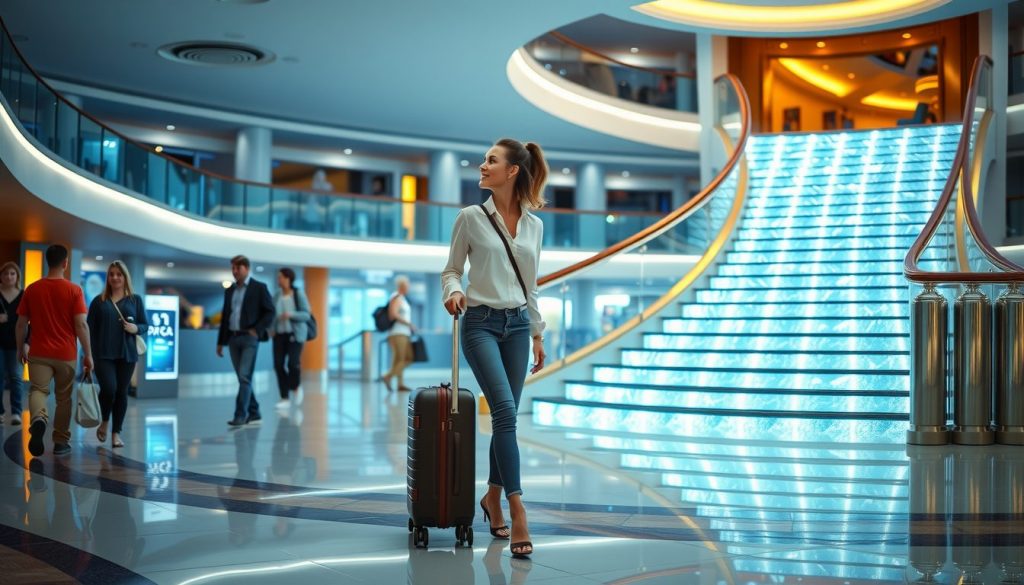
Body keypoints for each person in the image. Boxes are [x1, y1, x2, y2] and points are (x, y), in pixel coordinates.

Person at [441, 138, 548, 558]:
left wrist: (537, 333)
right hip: (481, 323)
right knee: (504, 411)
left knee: (507, 417)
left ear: (512, 171)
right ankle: (516, 508)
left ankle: (490, 497)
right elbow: (451, 270)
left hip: (519, 325)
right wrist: (453, 291)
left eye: (491, 161)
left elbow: (532, 285)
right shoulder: (470, 217)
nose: (482, 166)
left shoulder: (535, 227)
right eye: (484, 160)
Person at [15, 244, 93, 457]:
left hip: (39, 352)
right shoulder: (74, 290)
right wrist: (88, 354)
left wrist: (20, 347)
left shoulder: (32, 289)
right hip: (66, 354)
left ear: (47, 261)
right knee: (64, 398)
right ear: (65, 263)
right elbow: (81, 325)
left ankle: (39, 419)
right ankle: (60, 442)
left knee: (38, 390)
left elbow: (21, 324)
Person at [87, 260, 147, 448]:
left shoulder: (135, 300)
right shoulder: (99, 301)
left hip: (126, 354)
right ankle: (105, 421)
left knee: (121, 392)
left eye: (118, 274)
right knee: (109, 389)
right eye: (111, 274)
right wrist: (87, 355)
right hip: (103, 354)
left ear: (125, 277)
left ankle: (116, 432)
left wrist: (135, 327)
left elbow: (145, 325)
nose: (115, 277)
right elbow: (89, 329)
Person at [216, 255, 275, 427]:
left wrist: (257, 329)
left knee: (244, 376)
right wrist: (220, 342)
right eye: (232, 268)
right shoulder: (230, 290)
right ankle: (255, 412)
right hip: (233, 338)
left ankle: (240, 415)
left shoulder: (259, 288)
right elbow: (225, 317)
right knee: (244, 378)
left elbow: (270, 311)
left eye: (238, 268)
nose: (234, 272)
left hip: (250, 338)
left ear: (247, 269)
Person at [271, 267, 312, 409]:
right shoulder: (276, 295)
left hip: (295, 334)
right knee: (278, 365)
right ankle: (284, 397)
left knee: (293, 363)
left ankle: (295, 387)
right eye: (278, 277)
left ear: (288, 278)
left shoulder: (298, 293)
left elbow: (306, 314)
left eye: (281, 277)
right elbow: (271, 314)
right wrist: (271, 329)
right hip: (279, 335)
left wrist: (291, 314)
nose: (278, 280)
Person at [0, 261, 26, 425]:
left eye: (12, 273)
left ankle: (16, 412)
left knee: (16, 377)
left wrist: (26, 343)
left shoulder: (23, 295)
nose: (9, 276)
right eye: (5, 273)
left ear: (17, 276)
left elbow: (29, 322)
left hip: (17, 344)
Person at [380, 275, 415, 392]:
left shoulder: (402, 298)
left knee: (399, 359)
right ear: (403, 285)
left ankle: (400, 384)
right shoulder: (397, 297)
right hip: (398, 333)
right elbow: (393, 314)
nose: (409, 287)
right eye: (408, 284)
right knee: (405, 358)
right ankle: (387, 376)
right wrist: (408, 324)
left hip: (403, 333)